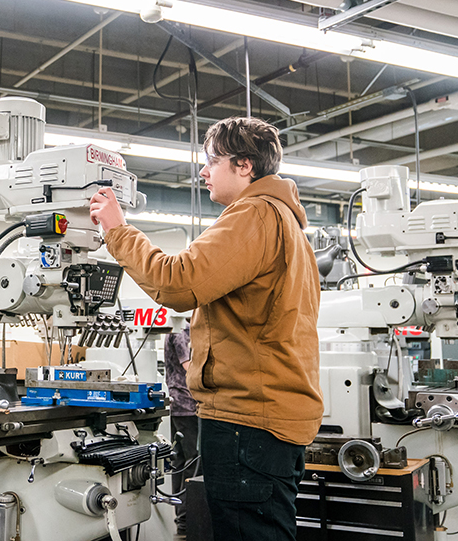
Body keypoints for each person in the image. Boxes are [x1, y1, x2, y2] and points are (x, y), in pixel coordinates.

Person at [89, 117, 322, 540]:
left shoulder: (254, 214)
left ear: (244, 165)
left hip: (247, 422)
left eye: (212, 161)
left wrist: (117, 231)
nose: (202, 172)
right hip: (268, 415)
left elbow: (178, 282)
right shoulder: (289, 224)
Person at [164, 321, 199, 537]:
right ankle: (186, 519)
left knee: (179, 460)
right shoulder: (181, 334)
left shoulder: (175, 332)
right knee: (192, 461)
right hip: (187, 405)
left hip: (180, 404)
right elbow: (190, 367)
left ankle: (182, 519)